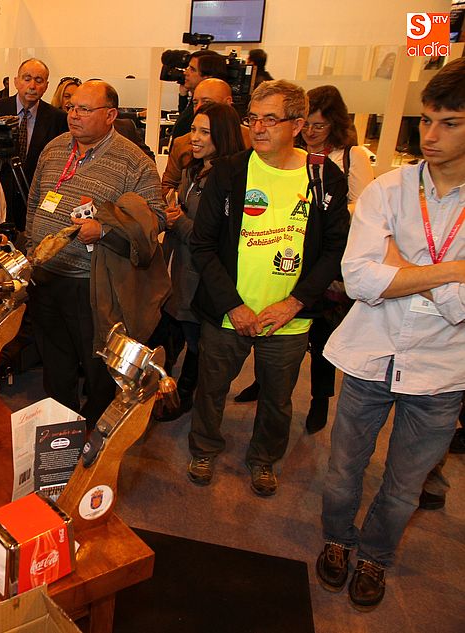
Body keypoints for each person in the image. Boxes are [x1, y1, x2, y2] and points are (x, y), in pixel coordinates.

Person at [315, 57, 465, 612]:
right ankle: (337, 540)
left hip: (442, 371)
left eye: (450, 123)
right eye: (426, 120)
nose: (431, 134)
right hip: (370, 356)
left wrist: (403, 268)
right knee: (342, 471)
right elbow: (358, 280)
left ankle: (375, 555)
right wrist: (451, 271)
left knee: (404, 485)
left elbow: (460, 310)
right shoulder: (388, 189)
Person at [187, 80, 350, 496]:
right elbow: (202, 245)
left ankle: (263, 459)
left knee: (277, 398)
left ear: (297, 125)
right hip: (228, 314)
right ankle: (204, 448)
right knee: (211, 389)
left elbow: (335, 249)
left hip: (288, 318)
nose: (258, 128)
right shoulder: (229, 171)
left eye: (270, 119)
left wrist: (294, 303)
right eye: (253, 118)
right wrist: (233, 305)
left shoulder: (323, 176)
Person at [234, 84, 376, 432]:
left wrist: (325, 209)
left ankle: (319, 400)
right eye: (307, 124)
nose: (311, 132)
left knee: (321, 338)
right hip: (283, 262)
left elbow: (362, 209)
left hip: (325, 265)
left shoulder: (347, 159)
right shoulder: (276, 157)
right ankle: (261, 382)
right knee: (273, 349)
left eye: (319, 125)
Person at [25, 80, 167, 426]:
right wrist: (31, 249)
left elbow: (156, 219)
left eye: (85, 109)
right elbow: (34, 203)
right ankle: (61, 428)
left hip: (93, 286)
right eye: (71, 107)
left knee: (97, 366)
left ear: (110, 115)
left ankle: (94, 431)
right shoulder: (54, 149)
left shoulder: (134, 162)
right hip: (46, 277)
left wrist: (105, 231)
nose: (74, 115)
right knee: (54, 361)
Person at [154, 103, 246, 422]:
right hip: (178, 271)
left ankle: (184, 396)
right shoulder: (192, 170)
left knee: (195, 343)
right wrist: (171, 213)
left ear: (223, 136)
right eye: (193, 129)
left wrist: (178, 221)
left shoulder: (229, 181)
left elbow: (216, 239)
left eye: (204, 132)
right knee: (167, 338)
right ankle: (165, 394)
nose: (194, 138)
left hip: (201, 278)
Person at [0, 58, 69, 232]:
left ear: (46, 86)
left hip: (33, 199)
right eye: (27, 78)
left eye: (39, 80)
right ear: (16, 82)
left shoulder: (57, 118)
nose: (32, 86)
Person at [162, 77, 250, 197]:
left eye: (207, 102)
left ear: (228, 102)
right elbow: (167, 185)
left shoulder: (252, 142)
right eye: (195, 103)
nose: (199, 108)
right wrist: (174, 203)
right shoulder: (182, 145)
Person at [170, 50, 227, 139]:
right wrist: (183, 96)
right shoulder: (193, 101)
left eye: (192, 69)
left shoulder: (213, 110)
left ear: (208, 77)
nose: (185, 72)